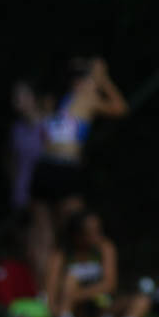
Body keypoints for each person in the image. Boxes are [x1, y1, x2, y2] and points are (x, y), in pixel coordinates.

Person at [28, 57, 128, 285]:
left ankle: (68, 285)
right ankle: (47, 289)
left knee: (71, 228)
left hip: (58, 167)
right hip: (52, 167)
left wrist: (102, 80)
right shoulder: (67, 99)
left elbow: (120, 109)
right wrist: (102, 80)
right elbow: (120, 108)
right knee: (49, 233)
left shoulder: (75, 100)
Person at [45, 208, 150, 317]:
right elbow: (51, 286)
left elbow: (109, 284)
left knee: (142, 300)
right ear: (77, 235)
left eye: (98, 230)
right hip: (75, 306)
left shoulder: (105, 247)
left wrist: (74, 296)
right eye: (90, 232)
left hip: (101, 303)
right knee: (70, 278)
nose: (97, 235)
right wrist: (55, 309)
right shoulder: (62, 253)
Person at [5, 80, 45, 214]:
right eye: (15, 95)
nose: (16, 99)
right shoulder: (15, 129)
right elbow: (10, 160)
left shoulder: (49, 125)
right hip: (20, 194)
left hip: (43, 196)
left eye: (21, 94)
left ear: (33, 97)